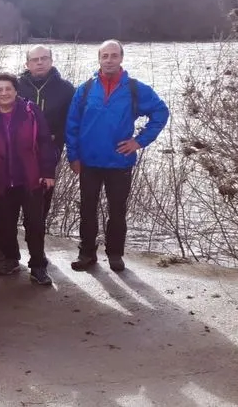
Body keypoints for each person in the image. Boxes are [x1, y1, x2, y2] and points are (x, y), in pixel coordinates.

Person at [66, 40, 170, 272]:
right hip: (89, 161)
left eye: (114, 55)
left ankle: (115, 254)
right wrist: (73, 156)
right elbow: (72, 125)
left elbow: (161, 112)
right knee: (87, 209)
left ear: (121, 58)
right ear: (99, 59)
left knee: (117, 211)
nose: (109, 60)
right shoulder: (85, 90)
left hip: (119, 161)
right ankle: (86, 253)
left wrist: (139, 141)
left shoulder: (135, 89)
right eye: (105, 56)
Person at [0, 73, 58, 285]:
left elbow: (44, 142)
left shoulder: (31, 111)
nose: (4, 93)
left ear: (16, 90)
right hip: (2, 181)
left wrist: (48, 172)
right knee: (6, 224)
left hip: (30, 179)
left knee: (35, 224)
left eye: (8, 89)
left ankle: (38, 266)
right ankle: (12, 258)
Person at [17, 46, 75, 229]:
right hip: (17, 151)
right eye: (35, 59)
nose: (40, 62)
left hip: (49, 151)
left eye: (44, 58)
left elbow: (71, 123)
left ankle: (37, 243)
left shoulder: (66, 89)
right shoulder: (15, 86)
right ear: (27, 64)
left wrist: (63, 146)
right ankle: (5, 244)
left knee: (41, 199)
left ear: (51, 61)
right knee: (12, 195)